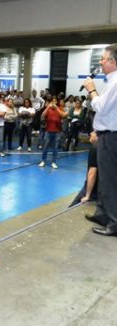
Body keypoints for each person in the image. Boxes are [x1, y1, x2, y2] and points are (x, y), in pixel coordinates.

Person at [82, 43, 117, 236]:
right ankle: (103, 213)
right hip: (106, 135)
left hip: (112, 138)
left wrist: (91, 89)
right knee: (104, 178)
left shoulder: (116, 81)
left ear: (113, 61)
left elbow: (101, 107)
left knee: (110, 179)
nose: (101, 62)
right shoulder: (111, 80)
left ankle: (114, 223)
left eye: (103, 58)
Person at [69, 132, 98, 207]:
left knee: (72, 207)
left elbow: (92, 172)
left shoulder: (95, 149)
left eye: (94, 132)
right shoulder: (108, 149)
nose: (91, 133)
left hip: (93, 190)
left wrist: (88, 195)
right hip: (104, 189)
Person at [38, 97, 67, 169]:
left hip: (57, 131)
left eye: (55, 101)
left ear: (57, 102)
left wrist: (57, 108)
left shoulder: (60, 108)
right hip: (48, 131)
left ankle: (53, 162)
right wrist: (48, 107)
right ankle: (43, 160)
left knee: (55, 147)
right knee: (45, 146)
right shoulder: (48, 109)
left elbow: (64, 115)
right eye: (52, 101)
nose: (54, 103)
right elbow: (42, 116)